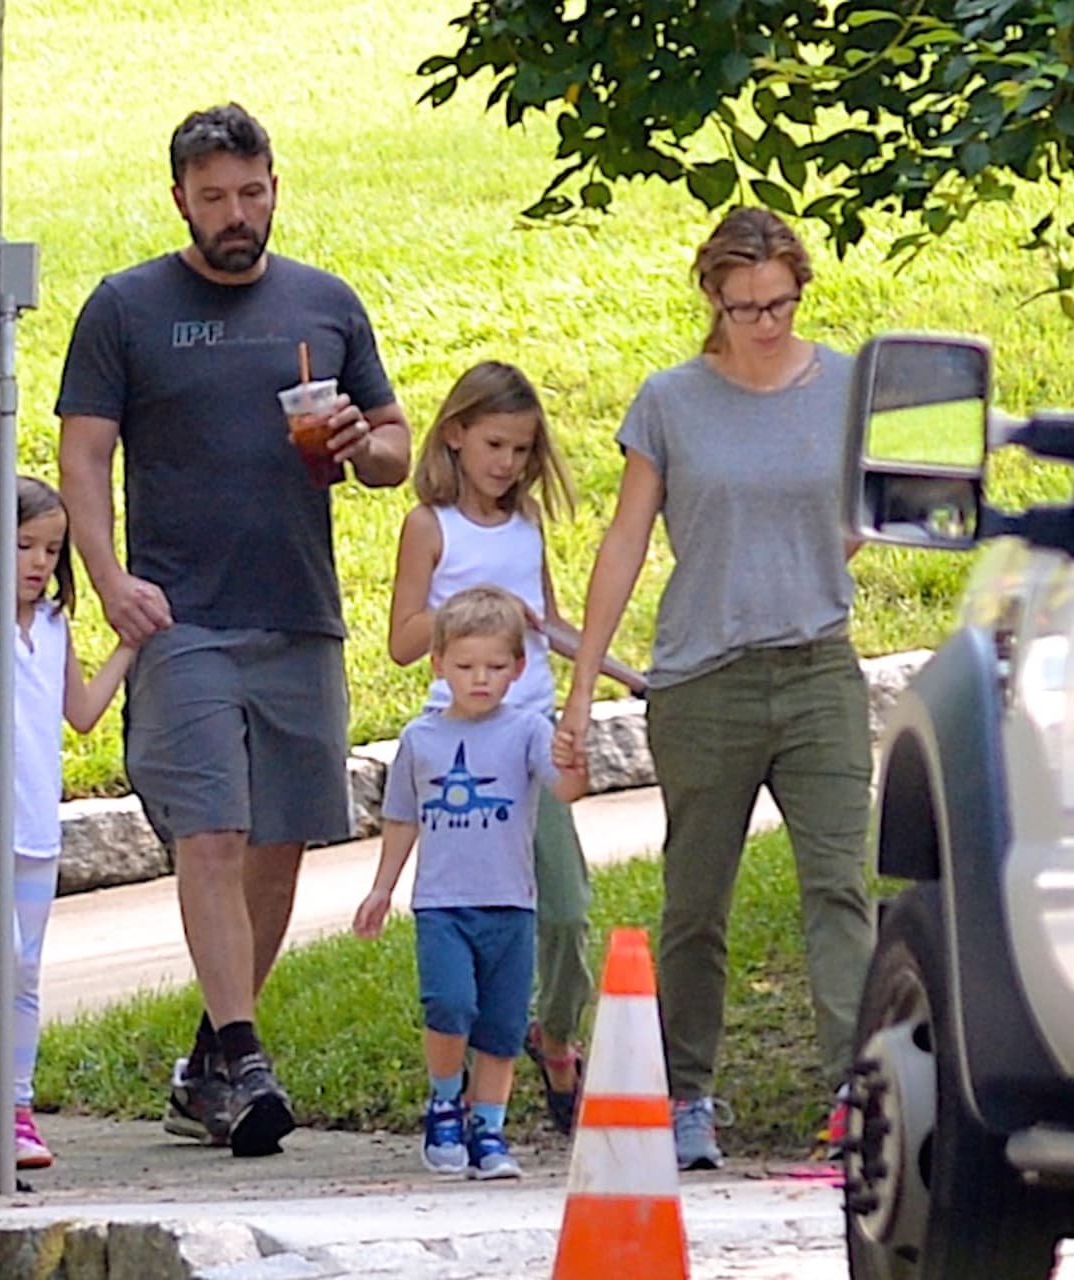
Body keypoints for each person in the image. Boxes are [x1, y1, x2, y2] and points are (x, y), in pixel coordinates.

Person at [55, 102, 411, 1158]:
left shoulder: (323, 302)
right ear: (180, 200)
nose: (235, 214)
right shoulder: (125, 308)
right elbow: (83, 458)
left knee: (278, 840)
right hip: (180, 615)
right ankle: (247, 1054)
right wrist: (110, 578)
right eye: (213, 198)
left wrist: (359, 438)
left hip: (298, 606)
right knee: (207, 830)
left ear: (273, 186)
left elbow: (394, 447)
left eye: (250, 192)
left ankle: (209, 1061)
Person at [556, 208, 874, 1171]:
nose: (765, 322)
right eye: (744, 307)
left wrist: (824, 555)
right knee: (696, 901)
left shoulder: (852, 382)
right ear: (713, 299)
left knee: (840, 885)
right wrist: (580, 692)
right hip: (703, 679)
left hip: (819, 664)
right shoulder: (671, 400)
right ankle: (686, 1093)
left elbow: (899, 494)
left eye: (779, 303)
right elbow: (623, 541)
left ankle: (857, 1097)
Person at [387, 360, 645, 1134]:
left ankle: (555, 1037)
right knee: (472, 923)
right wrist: (473, 622)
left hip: (528, 740)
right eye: (495, 444)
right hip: (463, 745)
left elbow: (549, 623)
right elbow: (403, 640)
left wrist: (628, 675)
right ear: (456, 435)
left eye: (522, 451)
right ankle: (465, 1086)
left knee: (563, 911)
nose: (506, 464)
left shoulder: (527, 528)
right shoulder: (430, 526)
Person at [354, 587, 587, 1177]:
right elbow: (403, 815)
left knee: (503, 1026)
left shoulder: (529, 730)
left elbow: (563, 789)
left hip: (511, 902)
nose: (479, 678)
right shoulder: (420, 739)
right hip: (442, 903)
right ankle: (443, 1105)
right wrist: (382, 887)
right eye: (464, 666)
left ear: (517, 668)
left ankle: (489, 1127)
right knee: (449, 1004)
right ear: (438, 665)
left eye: (494, 666)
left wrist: (574, 759)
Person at [12, 475, 137, 1169]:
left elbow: (82, 712)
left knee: (26, 971)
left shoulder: (54, 627)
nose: (38, 562)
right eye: (24, 544)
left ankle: (19, 1109)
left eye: (50, 549)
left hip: (38, 830)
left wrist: (128, 645)